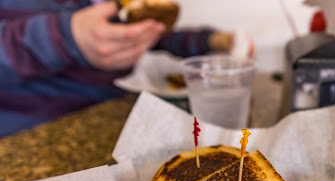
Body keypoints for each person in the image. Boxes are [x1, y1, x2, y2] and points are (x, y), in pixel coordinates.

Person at [0, 0, 236, 137]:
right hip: (27, 134)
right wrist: (65, 36)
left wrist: (208, 40)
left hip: (115, 120)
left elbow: (150, 31)